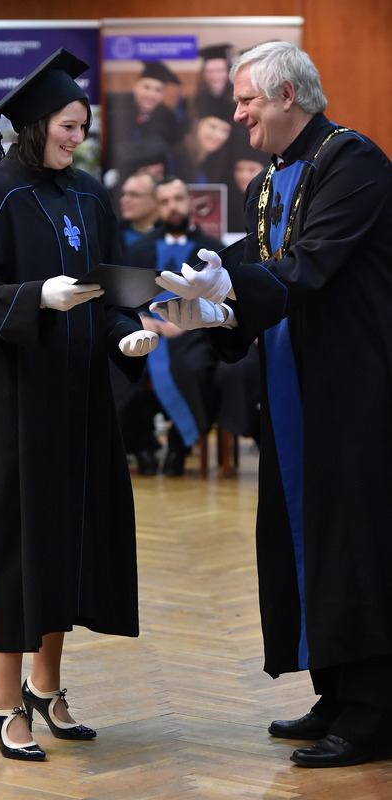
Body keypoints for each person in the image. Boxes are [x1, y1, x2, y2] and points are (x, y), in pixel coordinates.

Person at [151, 40, 392, 768]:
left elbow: (310, 265)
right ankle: (334, 693)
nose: (237, 113)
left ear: (288, 95)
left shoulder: (352, 161)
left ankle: (375, 712)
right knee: (302, 536)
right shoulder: (266, 182)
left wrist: (232, 290)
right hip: (289, 386)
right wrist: (202, 302)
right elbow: (250, 265)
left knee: (353, 540)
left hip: (350, 385)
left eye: (246, 99)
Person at [0, 48, 159, 763]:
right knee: (23, 544)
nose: (78, 138)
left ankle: (46, 685)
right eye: (69, 126)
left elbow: (109, 287)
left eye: (83, 127)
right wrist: (35, 297)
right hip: (21, 400)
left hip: (83, 395)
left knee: (69, 539)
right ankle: (2, 700)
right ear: (36, 123)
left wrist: (126, 331)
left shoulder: (89, 196)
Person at [114, 176, 222, 476]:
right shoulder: (137, 251)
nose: (172, 207)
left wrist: (190, 324)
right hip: (147, 332)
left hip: (194, 334)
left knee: (195, 368)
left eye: (178, 199)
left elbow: (227, 300)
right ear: (156, 207)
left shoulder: (214, 251)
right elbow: (122, 297)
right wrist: (141, 318)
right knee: (121, 370)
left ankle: (179, 445)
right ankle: (140, 445)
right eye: (164, 201)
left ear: (190, 202)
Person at [104, 61, 186, 183]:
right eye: (146, 87)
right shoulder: (114, 107)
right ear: (135, 86)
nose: (151, 95)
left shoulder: (169, 119)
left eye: (158, 90)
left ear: (163, 94)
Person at [117, 171, 160, 251]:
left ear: (155, 199)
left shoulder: (172, 235)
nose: (125, 200)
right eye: (123, 194)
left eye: (134, 194)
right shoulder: (112, 234)